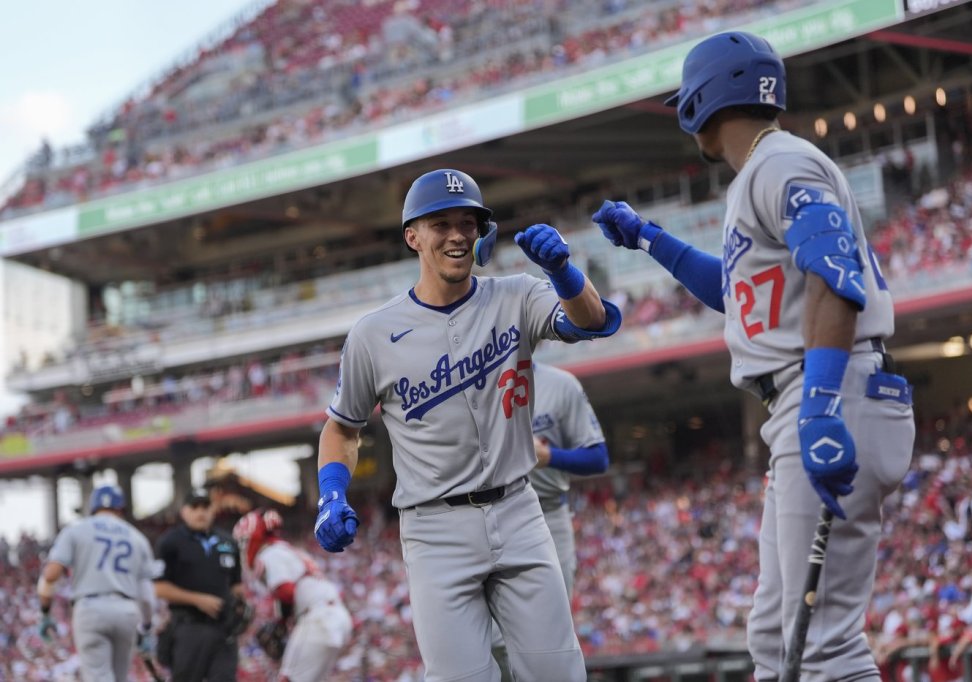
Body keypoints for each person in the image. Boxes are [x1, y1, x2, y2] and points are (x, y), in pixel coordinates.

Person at [591, 32, 915, 681]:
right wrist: (651, 240)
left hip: (829, 389)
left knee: (821, 643)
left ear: (701, 102)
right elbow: (741, 292)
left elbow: (833, 273)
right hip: (815, 392)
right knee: (774, 636)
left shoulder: (780, 164)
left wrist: (820, 405)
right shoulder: (766, 169)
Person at [314, 168, 621, 681]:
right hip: (435, 529)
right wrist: (330, 492)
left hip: (520, 509)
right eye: (441, 224)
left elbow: (591, 321)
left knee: (560, 673)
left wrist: (564, 272)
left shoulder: (517, 294)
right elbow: (343, 427)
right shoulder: (373, 334)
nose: (457, 235)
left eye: (468, 223)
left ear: (483, 233)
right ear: (413, 236)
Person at [493, 360, 609, 679]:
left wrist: (550, 456)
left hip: (548, 512)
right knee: (492, 642)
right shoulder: (467, 384)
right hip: (489, 512)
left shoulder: (560, 384)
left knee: (551, 636)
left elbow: (598, 457)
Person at [36, 484, 158, 682]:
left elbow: (51, 575)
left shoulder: (76, 530)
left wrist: (45, 612)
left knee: (98, 677)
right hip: (126, 609)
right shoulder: (138, 538)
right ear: (121, 509)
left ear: (93, 507)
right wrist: (146, 627)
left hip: (90, 607)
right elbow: (146, 597)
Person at [232, 508, 354, 682]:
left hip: (317, 618)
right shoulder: (286, 550)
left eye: (244, 541)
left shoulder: (271, 552)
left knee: (287, 679)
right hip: (335, 616)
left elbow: (286, 592)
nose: (242, 547)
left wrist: (281, 623)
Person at [153, 488, 247, 681]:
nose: (200, 512)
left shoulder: (228, 542)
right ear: (184, 511)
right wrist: (197, 600)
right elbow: (159, 588)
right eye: (194, 507)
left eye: (205, 507)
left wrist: (240, 607)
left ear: (213, 510)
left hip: (224, 628)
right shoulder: (170, 542)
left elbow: (236, 586)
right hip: (189, 626)